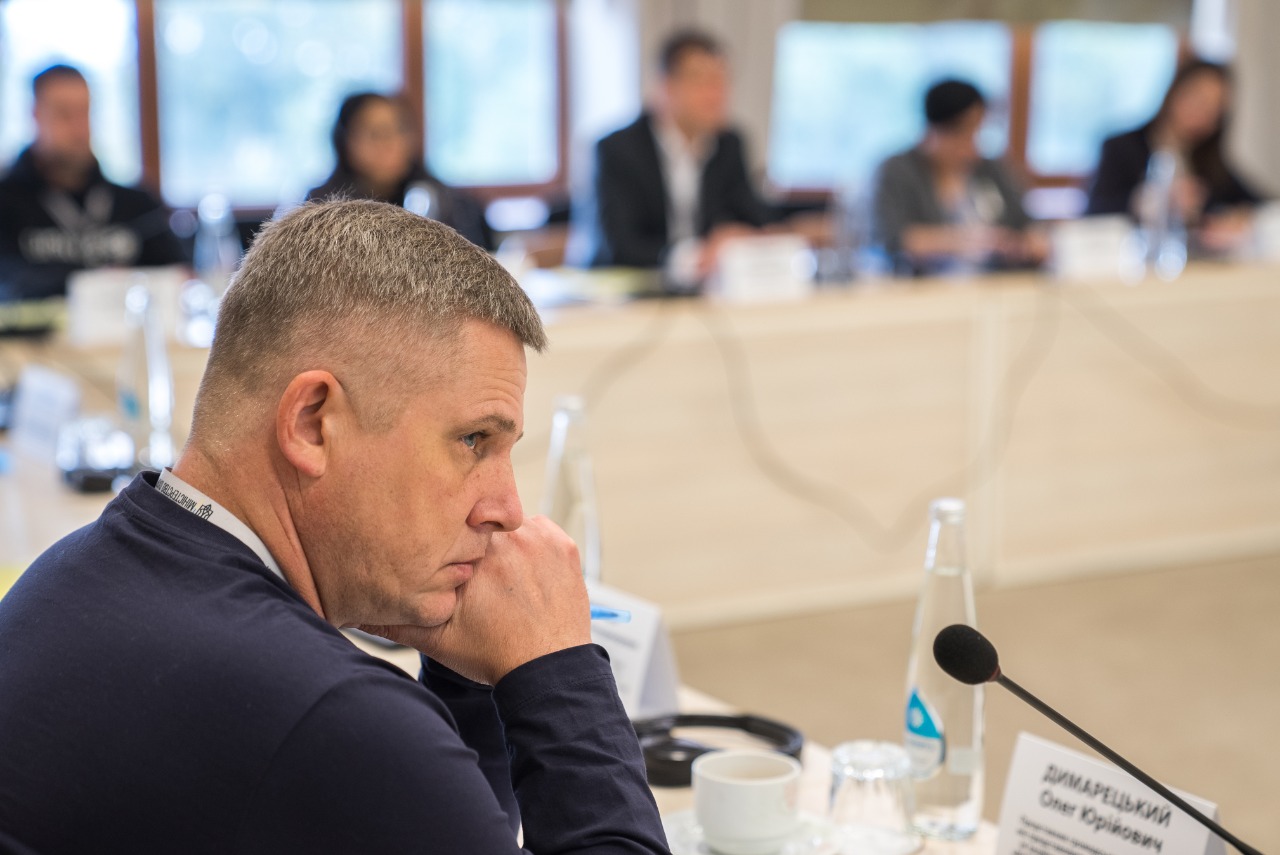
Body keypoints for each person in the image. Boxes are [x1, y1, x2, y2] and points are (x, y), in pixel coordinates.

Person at [0, 200, 669, 853]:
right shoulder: (329, 715)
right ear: (312, 424)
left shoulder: (69, 574)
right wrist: (557, 672)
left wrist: (469, 679)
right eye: (473, 440)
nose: (509, 509)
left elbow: (448, 825)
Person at [583, 29, 774, 286]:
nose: (717, 94)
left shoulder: (729, 144)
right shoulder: (617, 149)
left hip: (704, 292)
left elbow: (754, 215)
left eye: (722, 81)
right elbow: (618, 245)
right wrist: (695, 256)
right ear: (665, 87)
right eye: (702, 81)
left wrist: (741, 236)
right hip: (621, 294)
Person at [0, 64, 187, 303]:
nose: (79, 129)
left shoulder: (137, 204)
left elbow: (180, 278)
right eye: (64, 114)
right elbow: (9, 284)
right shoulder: (6, 204)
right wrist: (95, 283)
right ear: (35, 115)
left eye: (85, 113)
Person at [1085, 60, 1261, 254]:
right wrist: (1153, 200)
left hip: (1195, 262)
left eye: (1215, 109)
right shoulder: (1122, 147)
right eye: (1199, 100)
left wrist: (1237, 216)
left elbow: (1260, 203)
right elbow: (1095, 211)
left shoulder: (1209, 161)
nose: (1204, 114)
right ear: (1176, 92)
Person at [871, 79, 1045, 276]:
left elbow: (1026, 224)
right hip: (924, 285)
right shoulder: (898, 171)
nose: (973, 146)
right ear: (935, 130)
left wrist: (1033, 241)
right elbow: (892, 239)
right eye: (965, 134)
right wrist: (969, 241)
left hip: (995, 283)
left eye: (978, 133)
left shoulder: (991, 168)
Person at [307, 91, 493, 250]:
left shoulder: (448, 202)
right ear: (346, 142)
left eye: (400, 131)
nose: (392, 143)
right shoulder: (321, 210)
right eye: (376, 134)